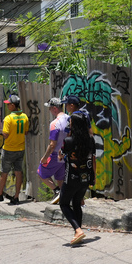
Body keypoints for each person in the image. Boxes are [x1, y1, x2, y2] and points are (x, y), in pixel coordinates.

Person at [59, 112, 95, 245]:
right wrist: (93, 178)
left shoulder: (68, 141)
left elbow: (60, 156)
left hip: (71, 178)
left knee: (63, 204)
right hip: (86, 177)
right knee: (76, 203)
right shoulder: (91, 140)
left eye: (71, 123)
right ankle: (78, 232)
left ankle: (78, 230)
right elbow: (94, 159)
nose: (69, 124)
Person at [0, 94, 29, 204]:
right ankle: (16, 196)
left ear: (12, 105)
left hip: (9, 149)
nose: (7, 106)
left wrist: (3, 131)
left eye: (8, 105)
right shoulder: (25, 117)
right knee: (18, 172)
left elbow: (5, 134)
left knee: (4, 172)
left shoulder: (8, 118)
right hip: (20, 148)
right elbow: (26, 132)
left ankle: (0, 194)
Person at [38, 97, 68, 205]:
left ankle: (57, 191)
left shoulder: (55, 123)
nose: (49, 111)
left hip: (56, 154)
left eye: (50, 109)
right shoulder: (70, 119)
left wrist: (45, 157)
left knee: (41, 172)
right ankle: (63, 199)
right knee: (60, 177)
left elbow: (52, 144)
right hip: (66, 154)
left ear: (55, 108)